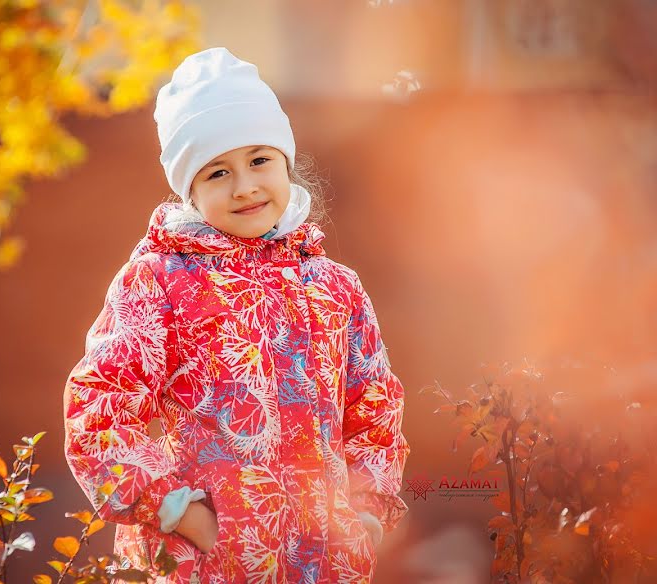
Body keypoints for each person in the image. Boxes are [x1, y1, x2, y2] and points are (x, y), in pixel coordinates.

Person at [64, 47, 410, 583]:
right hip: (206, 565)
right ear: (191, 191)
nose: (245, 186)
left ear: (286, 163)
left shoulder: (335, 287)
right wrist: (180, 514)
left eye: (259, 160)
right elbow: (99, 409)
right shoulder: (161, 281)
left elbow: (374, 408)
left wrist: (364, 515)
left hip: (324, 565)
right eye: (218, 172)